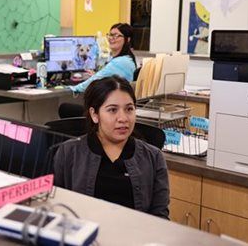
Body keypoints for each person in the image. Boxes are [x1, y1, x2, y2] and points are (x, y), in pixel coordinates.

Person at [53, 76, 169, 219]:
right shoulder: (68, 152)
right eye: (113, 110)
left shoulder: (153, 157)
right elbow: (56, 208)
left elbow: (160, 217)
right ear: (95, 115)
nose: (123, 118)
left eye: (129, 109)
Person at [70, 23, 136, 93]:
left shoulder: (121, 62)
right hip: (114, 98)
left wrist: (72, 88)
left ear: (128, 39)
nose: (111, 38)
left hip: (112, 101)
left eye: (116, 35)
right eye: (110, 35)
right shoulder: (127, 58)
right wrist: (97, 75)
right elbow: (105, 77)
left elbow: (91, 83)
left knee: (64, 104)